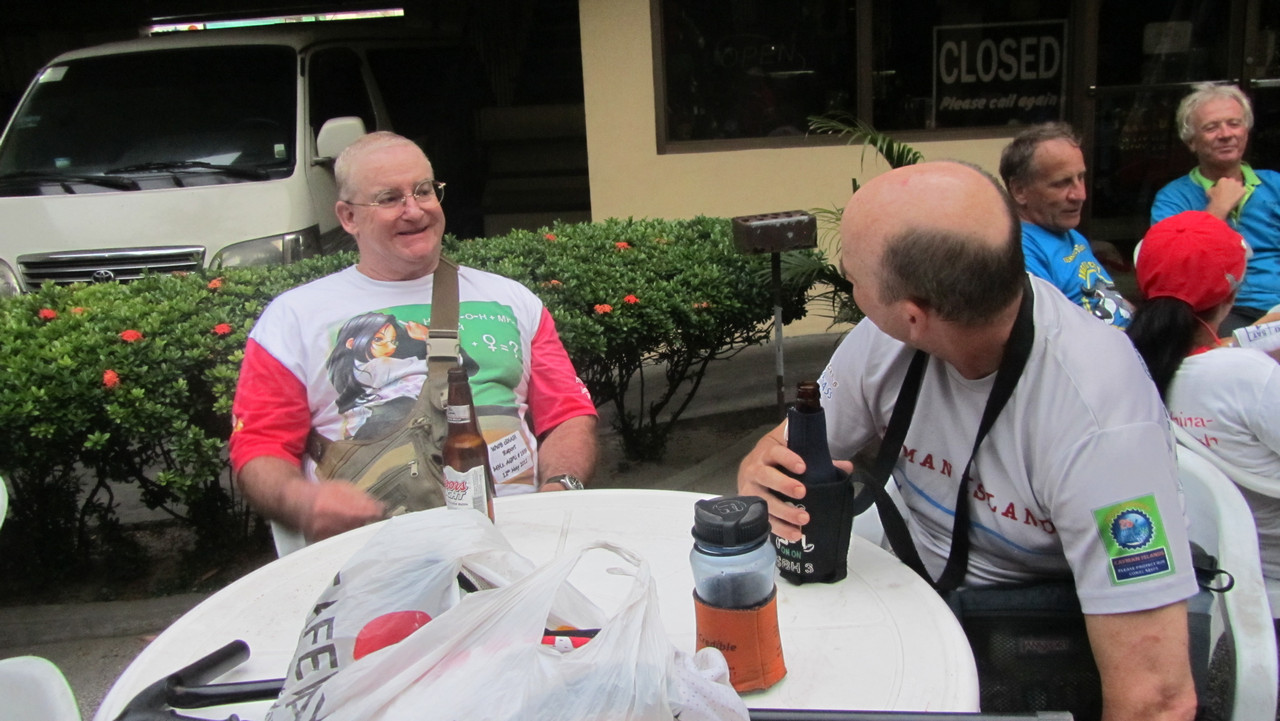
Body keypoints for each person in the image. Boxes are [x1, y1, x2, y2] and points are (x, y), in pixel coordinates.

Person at [738, 161, 1199, 720]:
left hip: (1021, 645)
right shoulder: (886, 340)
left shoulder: (1102, 425)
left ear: (913, 316)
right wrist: (765, 472)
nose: (848, 286)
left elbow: (1158, 701)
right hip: (902, 594)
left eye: (852, 278)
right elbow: (789, 451)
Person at [229, 131, 598, 546]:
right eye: (389, 199)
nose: (414, 210)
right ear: (348, 217)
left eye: (424, 191)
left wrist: (560, 488)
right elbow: (259, 445)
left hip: (519, 543)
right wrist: (303, 502)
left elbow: (567, 414)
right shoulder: (292, 318)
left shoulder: (513, 300)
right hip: (374, 551)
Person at [1128, 210, 1280, 591]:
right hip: (1271, 573)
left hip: (1207, 566)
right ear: (1232, 294)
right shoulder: (1248, 377)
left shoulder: (1128, 367)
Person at [1152, 83, 1280, 335]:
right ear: (1191, 141)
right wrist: (1216, 211)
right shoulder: (1173, 199)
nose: (1226, 134)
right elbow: (1171, 273)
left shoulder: (1275, 184)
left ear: (1246, 131)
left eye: (1234, 124)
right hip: (1218, 313)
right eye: (1211, 127)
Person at [999, 122, 1133, 328]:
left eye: (1081, 178)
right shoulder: (1020, 252)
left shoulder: (1065, 232)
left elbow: (1113, 301)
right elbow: (1049, 336)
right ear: (1019, 191)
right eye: (1062, 183)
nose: (1080, 195)